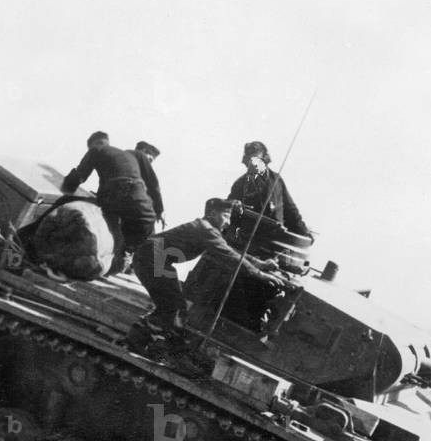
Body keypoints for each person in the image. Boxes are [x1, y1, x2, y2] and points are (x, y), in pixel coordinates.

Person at [130, 198, 280, 347]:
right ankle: (147, 341)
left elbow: (228, 250)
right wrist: (259, 274)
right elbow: (229, 255)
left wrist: (259, 264)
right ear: (213, 214)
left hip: (154, 259)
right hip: (152, 259)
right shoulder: (205, 230)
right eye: (226, 216)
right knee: (174, 306)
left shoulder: (206, 229)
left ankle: (147, 338)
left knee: (174, 305)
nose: (228, 222)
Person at [62, 131, 157, 272]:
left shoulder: (106, 153)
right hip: (131, 206)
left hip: (124, 205)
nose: (149, 160)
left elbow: (78, 178)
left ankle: (128, 260)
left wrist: (66, 190)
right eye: (148, 155)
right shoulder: (129, 158)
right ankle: (133, 261)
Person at [228, 141, 312, 238]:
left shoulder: (276, 180)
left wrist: (304, 232)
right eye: (251, 160)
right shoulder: (240, 184)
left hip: (275, 238)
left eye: (258, 160)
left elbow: (290, 210)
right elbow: (229, 211)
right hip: (250, 239)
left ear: (265, 160)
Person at [133, 141, 166, 228]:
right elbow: (154, 186)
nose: (151, 161)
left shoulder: (123, 157)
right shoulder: (141, 157)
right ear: (144, 151)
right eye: (150, 156)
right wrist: (160, 210)